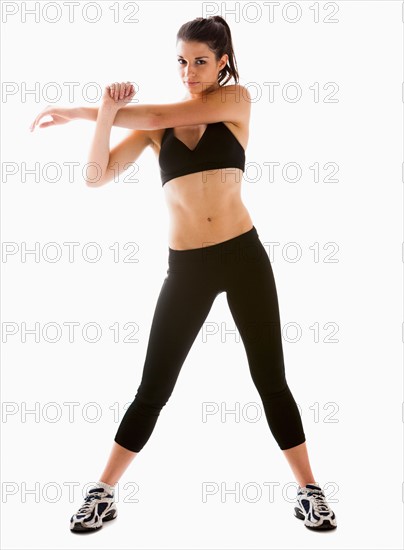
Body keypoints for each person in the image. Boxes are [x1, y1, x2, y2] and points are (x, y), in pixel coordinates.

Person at [30, 15, 337, 534]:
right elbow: (95, 177)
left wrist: (85, 110)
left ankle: (309, 491)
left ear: (222, 63)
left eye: (199, 61)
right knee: (153, 387)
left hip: (244, 257)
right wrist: (105, 115)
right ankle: (103, 493)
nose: (189, 71)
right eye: (181, 61)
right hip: (187, 268)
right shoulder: (154, 129)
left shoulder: (235, 102)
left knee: (271, 380)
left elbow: (154, 111)